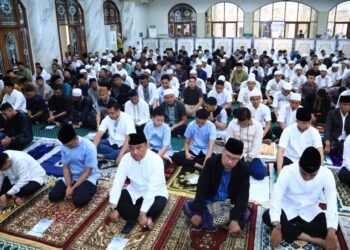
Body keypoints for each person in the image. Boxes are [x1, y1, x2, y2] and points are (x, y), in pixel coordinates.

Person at [263, 147, 338, 250]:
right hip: (287, 209)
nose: (307, 177)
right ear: (299, 164)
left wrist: (331, 232)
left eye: (312, 175)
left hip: (310, 211)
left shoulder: (327, 175)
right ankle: (315, 240)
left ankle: (289, 229)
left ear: (319, 168)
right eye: (303, 173)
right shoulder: (288, 171)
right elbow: (275, 199)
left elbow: (332, 203)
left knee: (330, 227)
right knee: (267, 215)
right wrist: (276, 226)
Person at [183, 138, 251, 233]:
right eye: (228, 156)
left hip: (228, 204)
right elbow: (201, 187)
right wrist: (198, 212)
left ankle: (210, 220)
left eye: (235, 159)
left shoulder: (244, 170)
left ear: (239, 158)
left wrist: (235, 219)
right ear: (223, 151)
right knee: (187, 206)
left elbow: (243, 196)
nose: (230, 161)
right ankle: (221, 223)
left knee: (246, 214)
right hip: (209, 201)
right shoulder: (211, 162)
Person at [109, 133, 168, 230]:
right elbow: (118, 182)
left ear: (146, 145)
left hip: (156, 193)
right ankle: (140, 217)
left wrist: (143, 212)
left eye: (138, 148)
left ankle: (132, 214)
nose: (135, 152)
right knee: (117, 199)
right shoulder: (126, 158)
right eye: (131, 148)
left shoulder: (156, 160)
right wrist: (113, 208)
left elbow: (152, 189)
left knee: (156, 208)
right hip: (134, 190)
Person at [49, 125, 99, 207]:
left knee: (78, 201)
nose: (69, 147)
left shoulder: (89, 147)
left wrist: (73, 188)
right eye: (67, 145)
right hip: (73, 176)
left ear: (75, 138)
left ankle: (92, 186)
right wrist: (69, 186)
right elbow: (66, 168)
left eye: (70, 145)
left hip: (88, 177)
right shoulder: (64, 146)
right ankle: (76, 188)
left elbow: (87, 171)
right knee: (53, 196)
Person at [276, 108, 323, 175]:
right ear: (297, 121)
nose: (307, 125)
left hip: (306, 160)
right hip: (290, 159)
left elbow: (320, 151)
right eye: (304, 123)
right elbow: (281, 150)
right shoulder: (288, 130)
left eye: (309, 122)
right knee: (279, 165)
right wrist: (279, 170)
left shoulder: (314, 132)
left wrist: (321, 171)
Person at [226, 108, 265, 180]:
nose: (242, 126)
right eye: (240, 123)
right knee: (226, 171)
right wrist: (235, 158)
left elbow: (256, 145)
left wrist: (248, 161)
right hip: (235, 155)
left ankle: (241, 170)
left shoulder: (258, 126)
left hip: (251, 157)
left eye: (244, 124)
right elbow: (229, 141)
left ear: (249, 118)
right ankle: (242, 170)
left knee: (260, 175)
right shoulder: (232, 124)